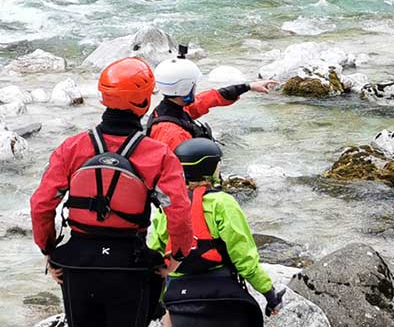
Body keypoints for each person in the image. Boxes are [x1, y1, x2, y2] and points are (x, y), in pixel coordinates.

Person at [30, 57, 194, 327]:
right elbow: (179, 211)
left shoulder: (72, 147)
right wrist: (176, 257)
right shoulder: (158, 154)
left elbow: (41, 205)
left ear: (104, 96)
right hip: (130, 267)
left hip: (79, 266)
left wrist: (49, 251)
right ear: (143, 101)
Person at [149, 138, 285, 327]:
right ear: (209, 168)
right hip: (221, 295)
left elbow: (155, 257)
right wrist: (270, 294)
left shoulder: (168, 205)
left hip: (178, 297)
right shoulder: (223, 203)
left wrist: (156, 302)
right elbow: (244, 259)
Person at [148, 48, 277, 150]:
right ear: (184, 87)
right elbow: (178, 175)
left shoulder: (173, 109)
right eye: (193, 85)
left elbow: (211, 98)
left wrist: (248, 86)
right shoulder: (171, 133)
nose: (195, 88)